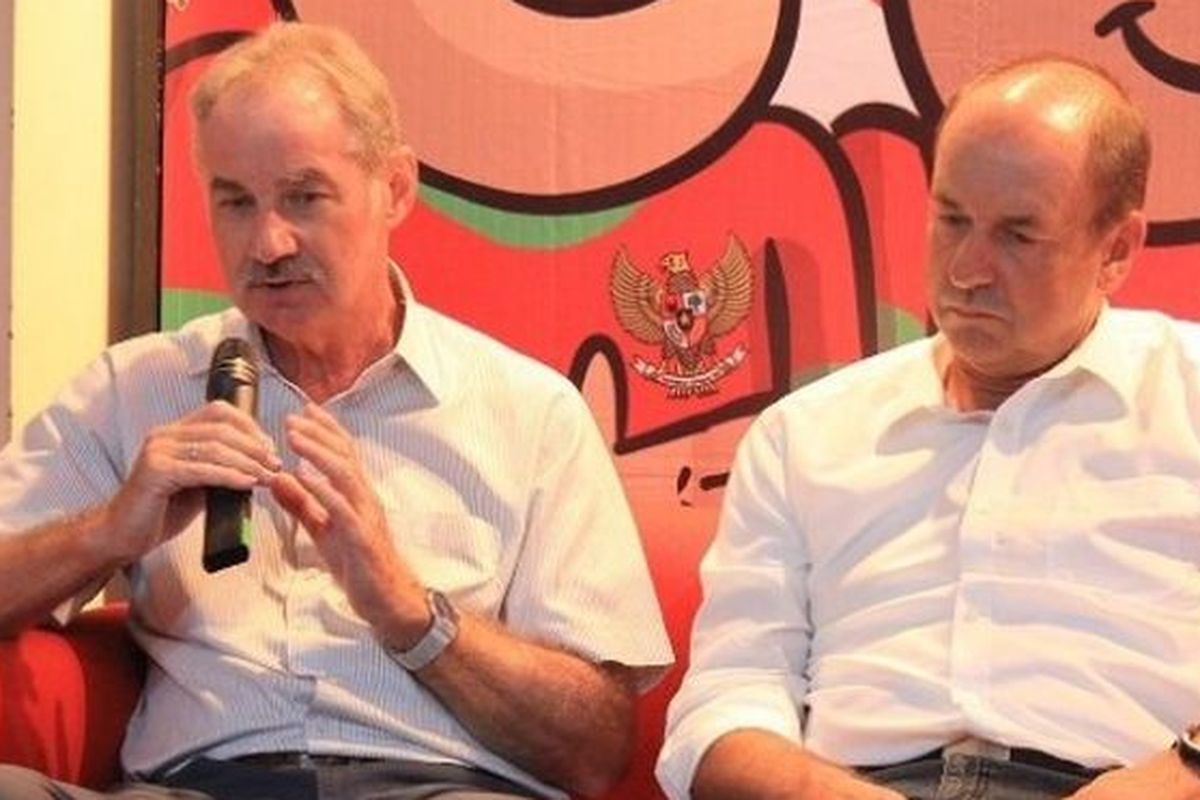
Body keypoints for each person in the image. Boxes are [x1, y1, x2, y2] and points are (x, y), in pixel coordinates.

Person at [0, 22, 672, 800]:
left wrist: (408, 610)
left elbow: (594, 751)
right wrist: (107, 531)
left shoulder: (530, 413)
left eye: (303, 197)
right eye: (236, 203)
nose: (268, 242)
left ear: (394, 188)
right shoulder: (136, 388)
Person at [657, 55, 1200, 800]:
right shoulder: (805, 434)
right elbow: (722, 705)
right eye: (951, 219)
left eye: (1017, 235)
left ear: (1116, 250)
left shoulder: (1191, 390)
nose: (968, 269)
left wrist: (1181, 775)